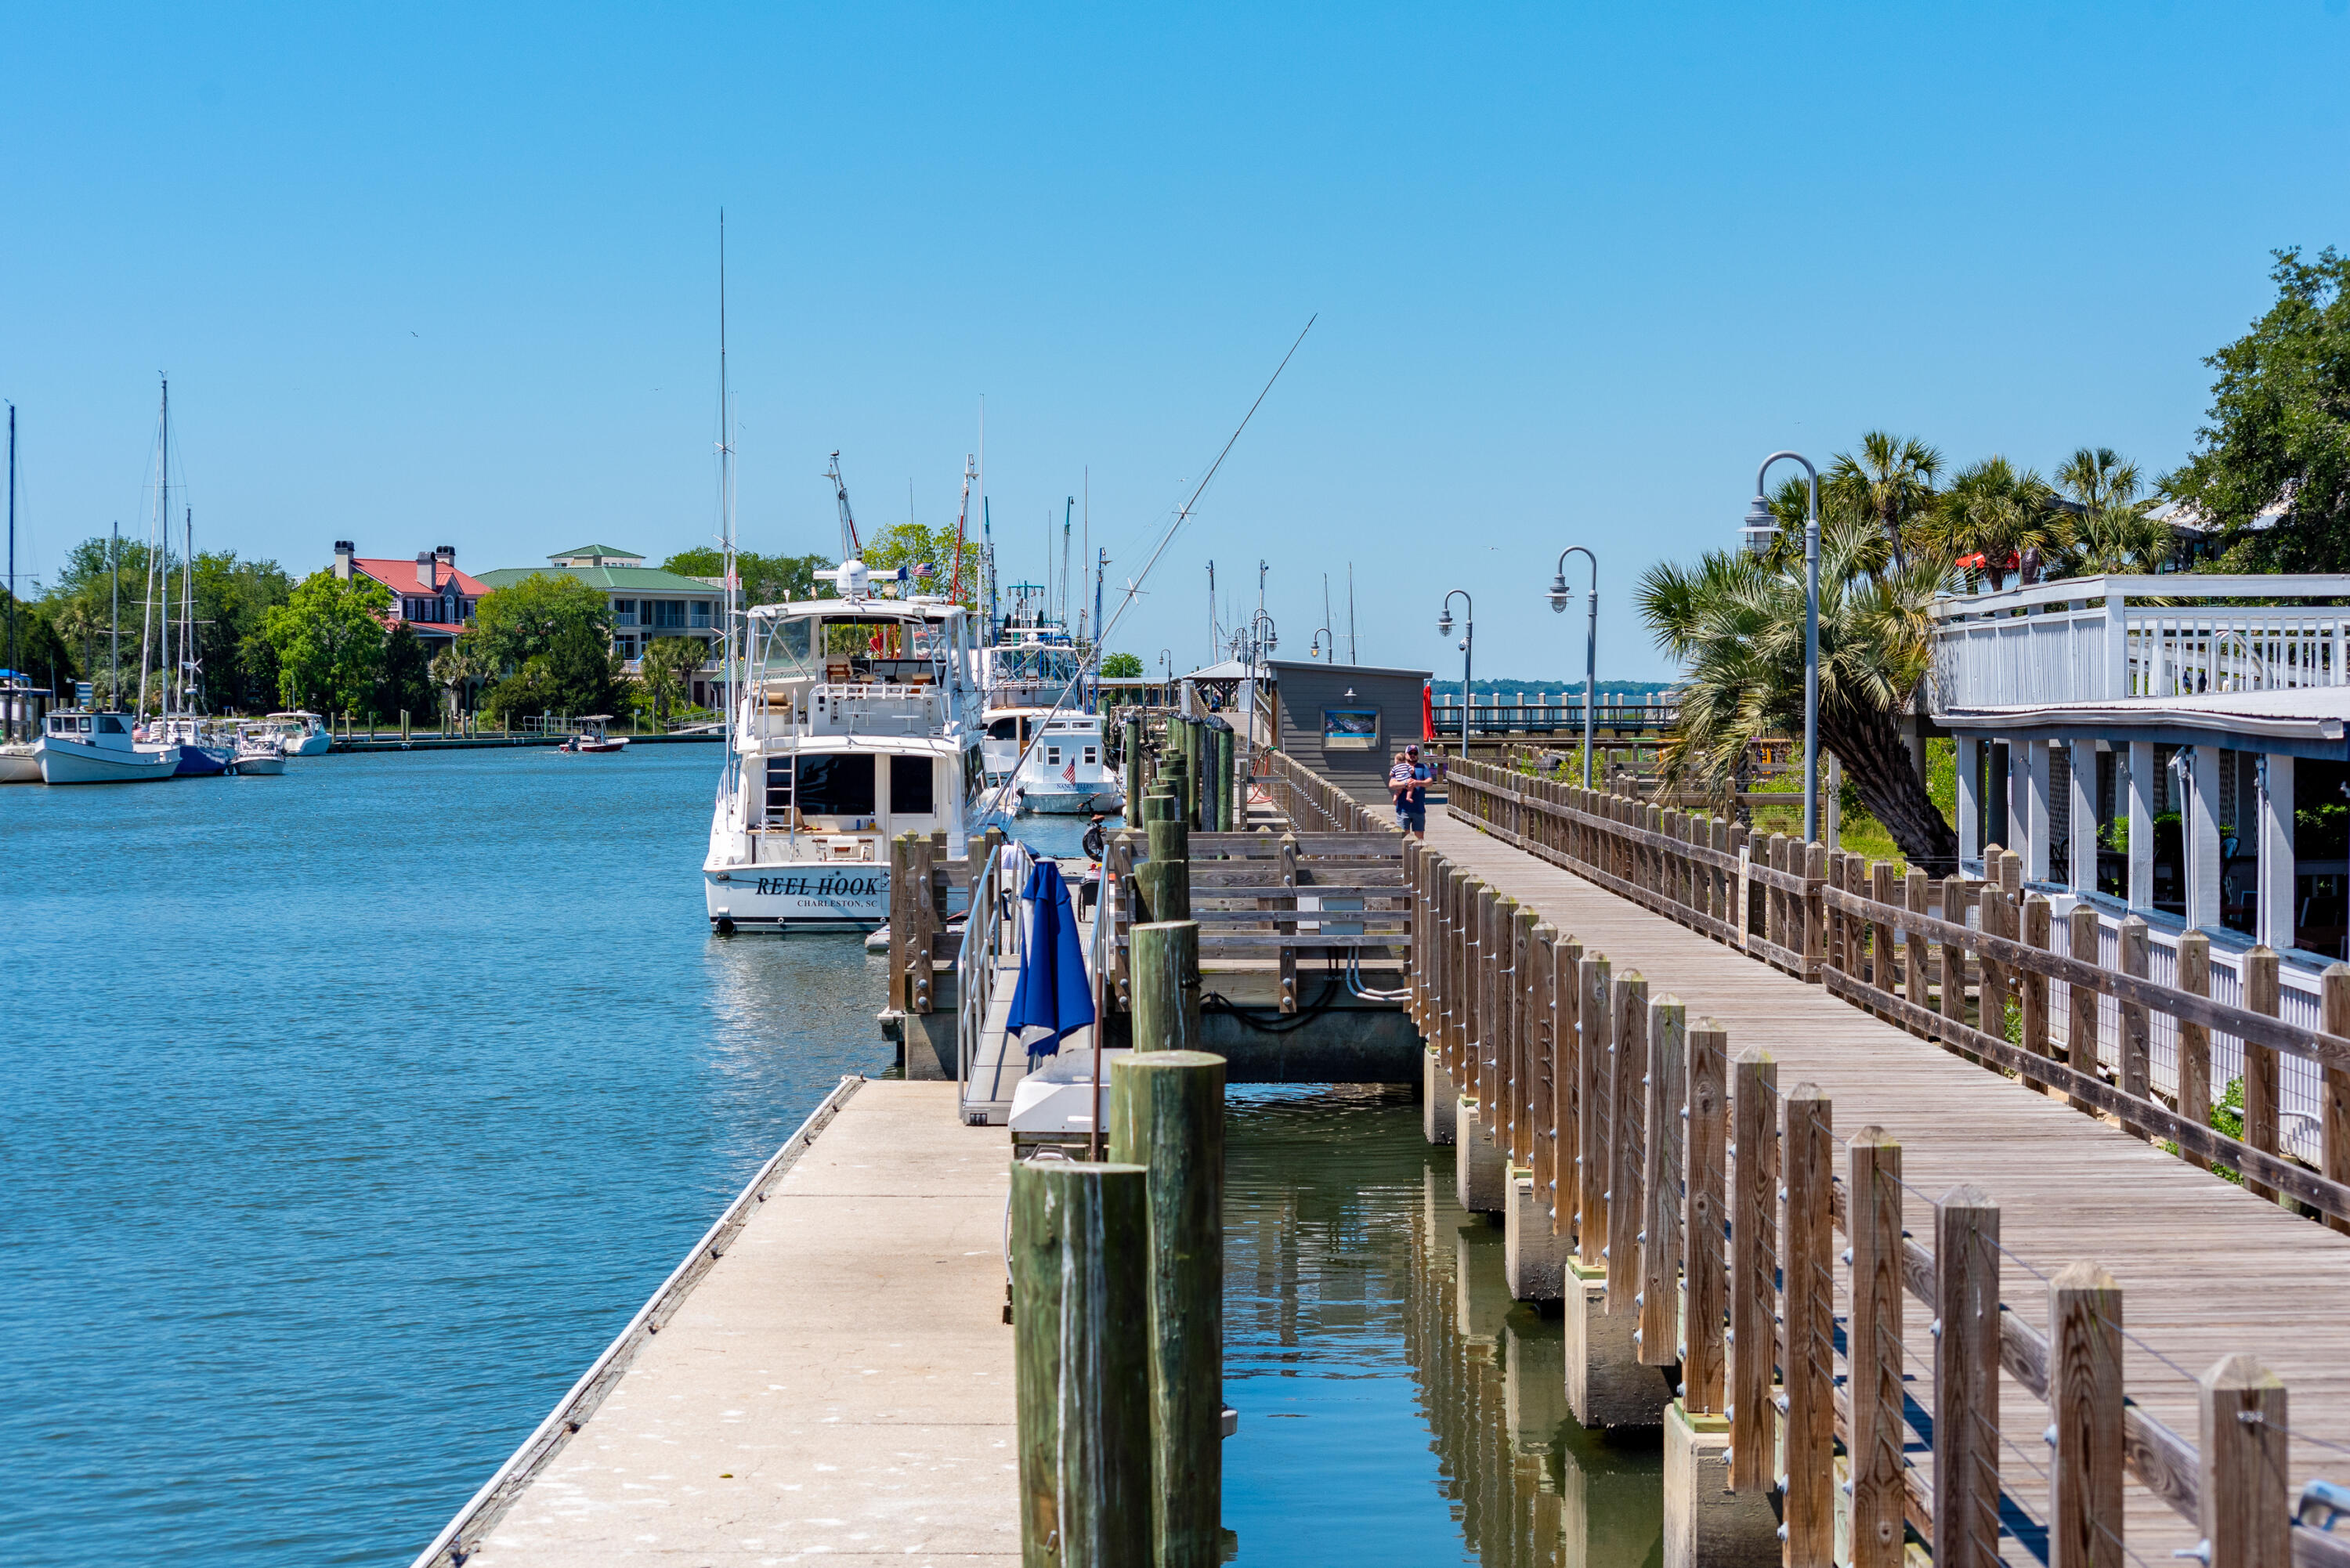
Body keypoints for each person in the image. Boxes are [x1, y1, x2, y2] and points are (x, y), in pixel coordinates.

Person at [1388, 744, 1430, 839]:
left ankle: (1418, 854)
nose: (1413, 755)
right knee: (1404, 838)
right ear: (1406, 754)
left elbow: (1429, 782)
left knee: (1420, 840)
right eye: (1410, 753)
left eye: (1415, 753)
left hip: (1419, 809)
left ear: (1418, 755)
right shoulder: (1399, 767)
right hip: (1403, 810)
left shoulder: (1423, 767)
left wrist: (1417, 783)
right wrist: (1406, 784)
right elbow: (1392, 784)